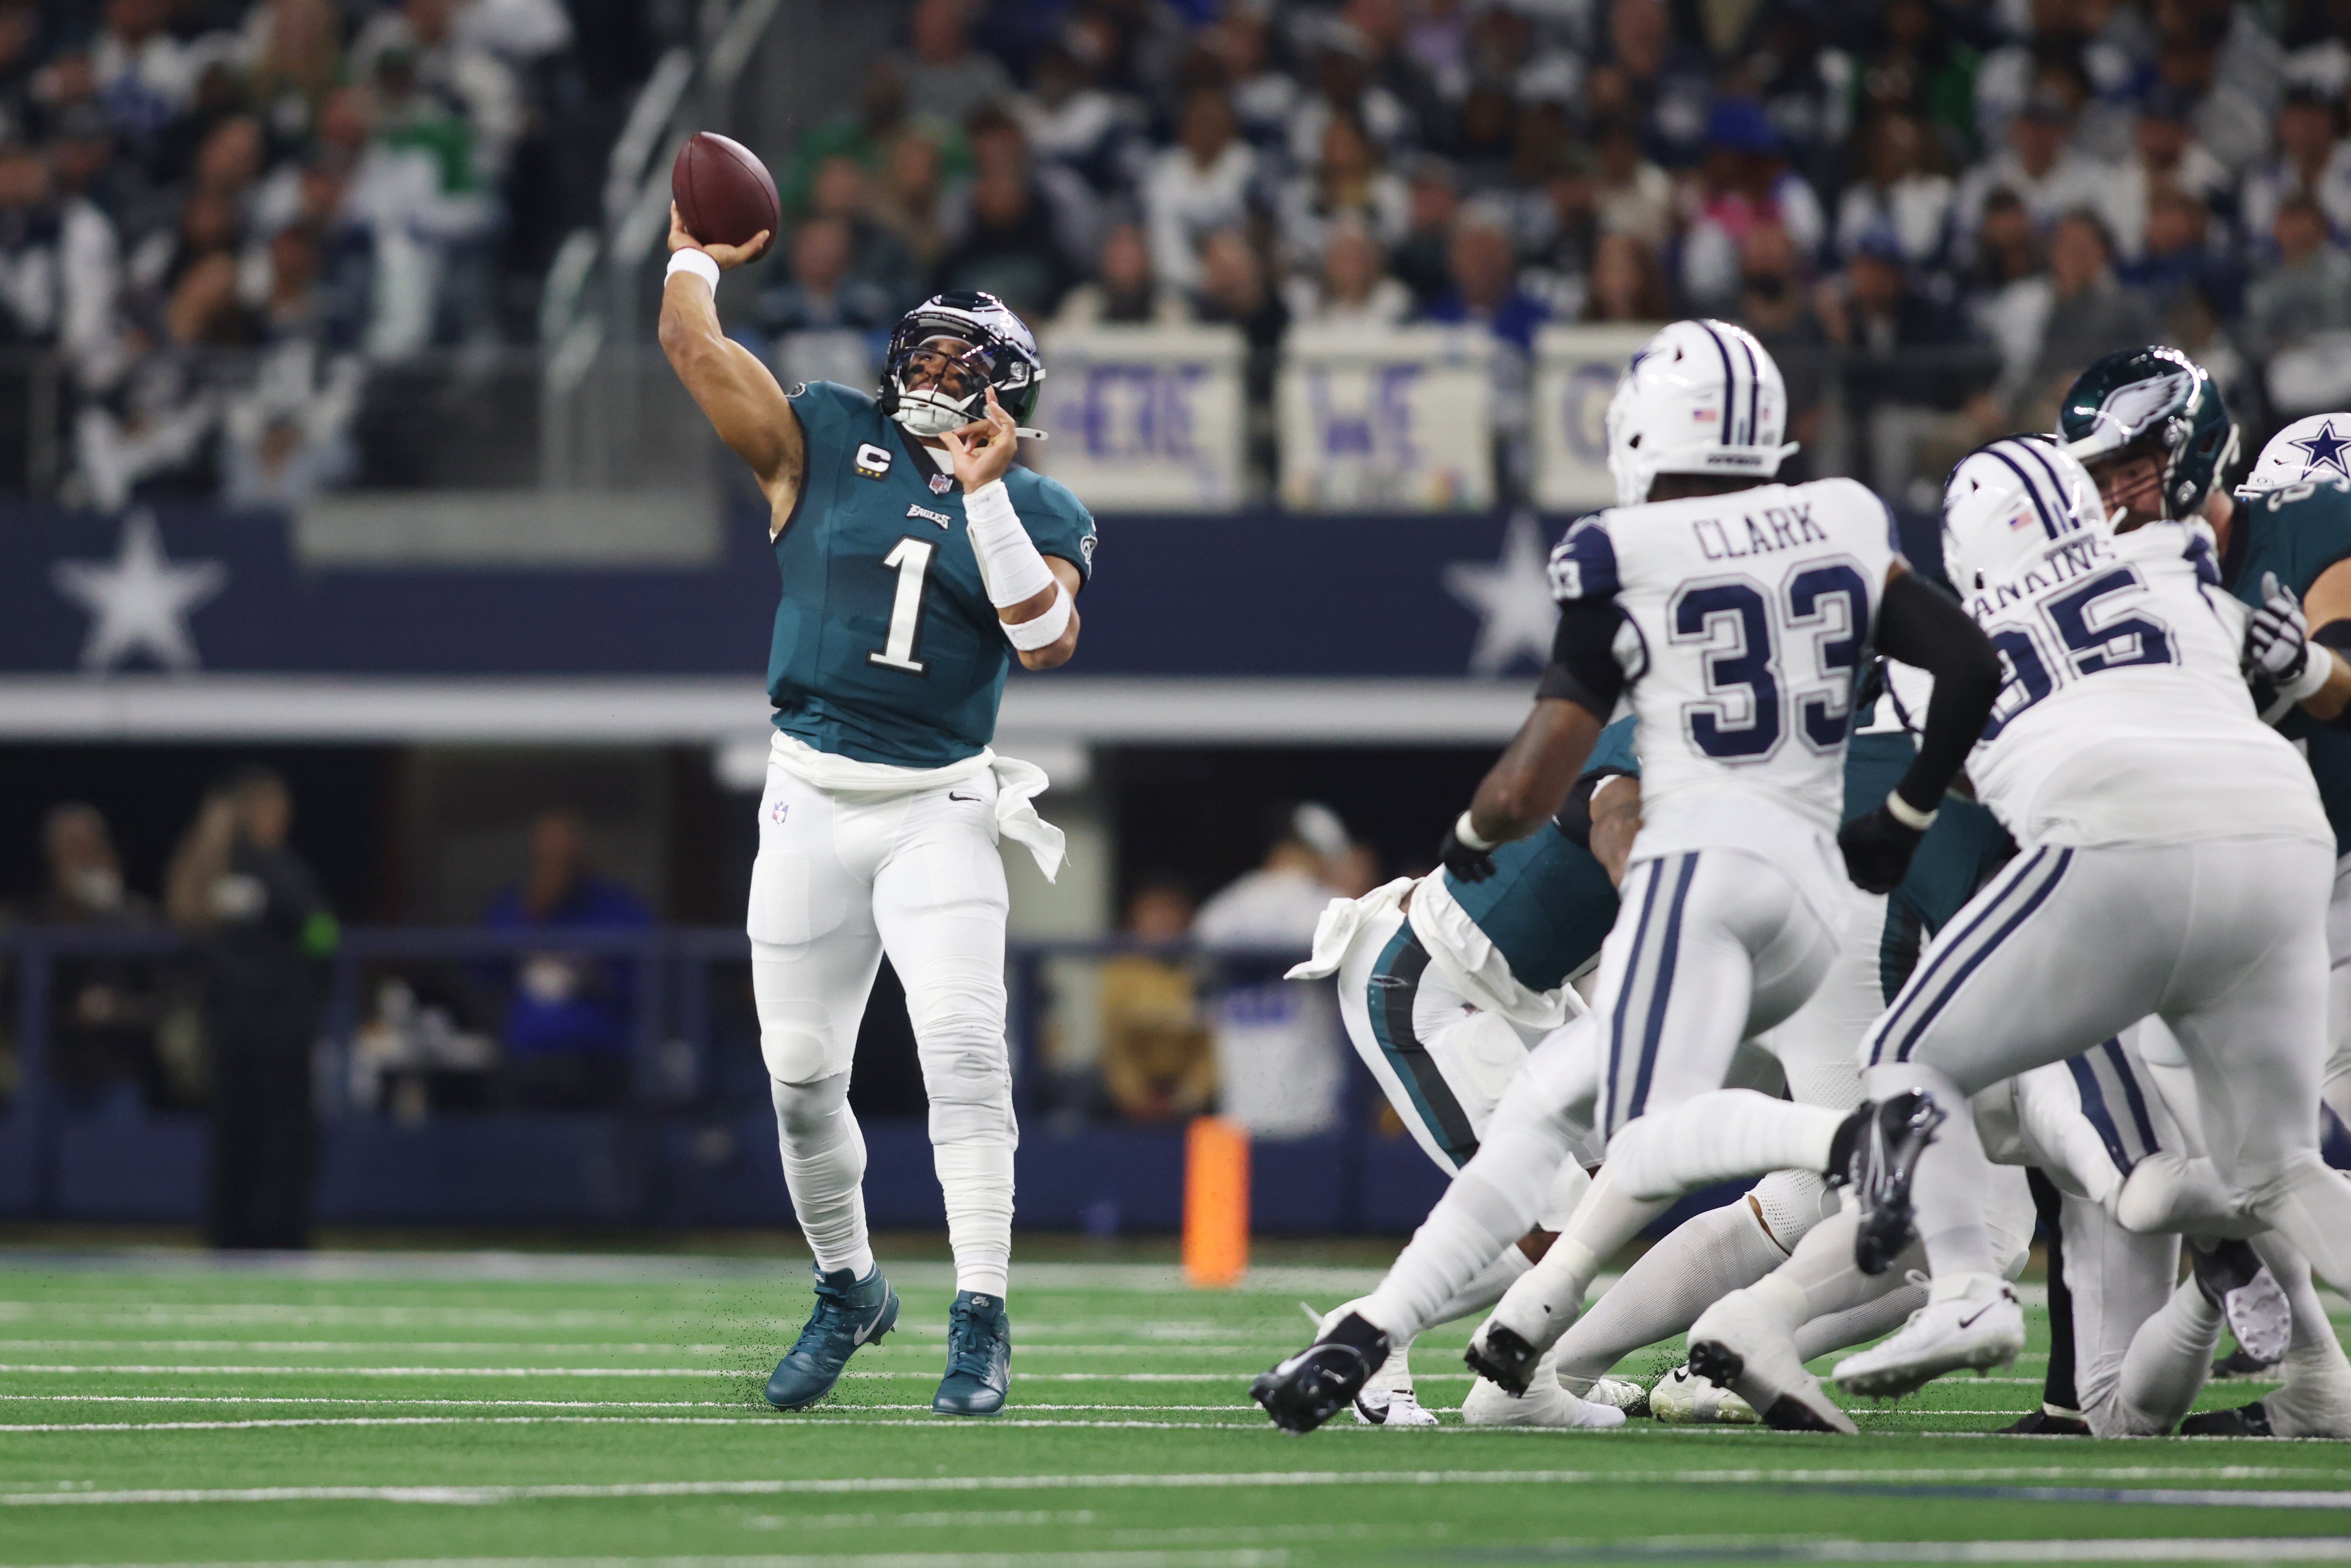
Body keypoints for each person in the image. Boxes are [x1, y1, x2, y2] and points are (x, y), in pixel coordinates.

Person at [1250, 319, 2003, 1433]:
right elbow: (1611, 807)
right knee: (1560, 1212)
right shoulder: (1801, 569)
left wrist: (1501, 841)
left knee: (1606, 1176)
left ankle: (1479, 1354)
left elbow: (1575, 793)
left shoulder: (1658, 593)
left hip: (1570, 965)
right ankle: (1386, 1355)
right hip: (1438, 976)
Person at [1815, 390, 2351, 1401]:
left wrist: (1908, 809)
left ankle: (1966, 1290)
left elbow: (1969, 761)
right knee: (2283, 1168)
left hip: (2118, 847)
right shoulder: (2180, 566)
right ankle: (2242, 1288)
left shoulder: (1950, 642)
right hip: (2283, 843)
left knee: (1901, 1051)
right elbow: (2277, 678)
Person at [660, 197, 1094, 1419]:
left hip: (937, 803)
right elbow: (694, 348)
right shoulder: (825, 432)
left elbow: (1046, 641)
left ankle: (981, 1314)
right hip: (807, 790)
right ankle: (848, 1286)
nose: (938, 374)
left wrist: (985, 494)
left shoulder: (1043, 504)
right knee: (799, 1075)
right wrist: (693, 256)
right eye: (929, 352)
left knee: (962, 1048)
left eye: (966, 362)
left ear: (1007, 388)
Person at [1284, 734, 1633, 1426]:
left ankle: (1531, 1372)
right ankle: (1377, 1333)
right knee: (1545, 1213)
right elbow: (1619, 821)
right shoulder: (1664, 748)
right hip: (1430, 975)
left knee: (1619, 1179)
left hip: (1520, 983)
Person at [165, 767, 337, 1252]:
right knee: (284, 1137)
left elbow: (193, 942)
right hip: (281, 1026)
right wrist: (313, 959)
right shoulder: (275, 866)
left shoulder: (212, 866)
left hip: (230, 1027)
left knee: (235, 1133)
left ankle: (229, 1234)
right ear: (260, 809)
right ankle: (280, 1235)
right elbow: (322, 931)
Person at [1194, 803, 1351, 1142]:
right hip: (1312, 1112)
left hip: (1237, 1112)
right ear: (1316, 855)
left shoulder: (1220, 911)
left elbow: (1197, 995)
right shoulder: (1331, 906)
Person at [479, 811, 653, 1111]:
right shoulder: (515, 907)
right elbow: (482, 969)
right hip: (527, 1061)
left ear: (581, 857)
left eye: (564, 857)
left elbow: (649, 976)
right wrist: (534, 913)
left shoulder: (616, 908)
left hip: (599, 1060)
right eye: (546, 858)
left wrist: (595, 976)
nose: (555, 866)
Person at [24, 802, 164, 1110]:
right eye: (70, 847)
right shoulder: (36, 915)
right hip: (52, 1069)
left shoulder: (132, 914)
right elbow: (19, 996)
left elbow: (159, 991)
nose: (82, 856)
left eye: (91, 845)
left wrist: (114, 911)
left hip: (119, 1068)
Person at [1096, 882, 1213, 1124]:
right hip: (1134, 1097)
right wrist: (1135, 1098)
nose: (1162, 922)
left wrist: (1189, 1098)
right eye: (1153, 913)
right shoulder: (1121, 971)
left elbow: (1213, 1050)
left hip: (1191, 1096)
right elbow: (1115, 1046)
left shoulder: (1204, 970)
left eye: (1170, 912)